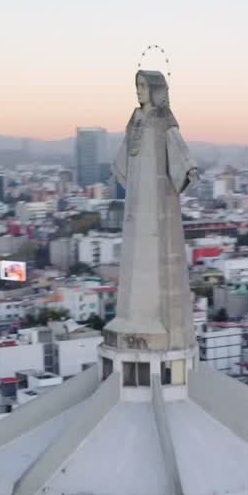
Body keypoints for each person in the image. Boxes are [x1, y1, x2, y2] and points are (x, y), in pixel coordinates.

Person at [105, 71, 199, 351]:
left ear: (156, 89)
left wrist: (188, 168)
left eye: (144, 86)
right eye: (137, 85)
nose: (139, 90)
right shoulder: (134, 120)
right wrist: (118, 170)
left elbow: (176, 145)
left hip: (157, 200)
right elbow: (125, 154)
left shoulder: (163, 120)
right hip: (136, 198)